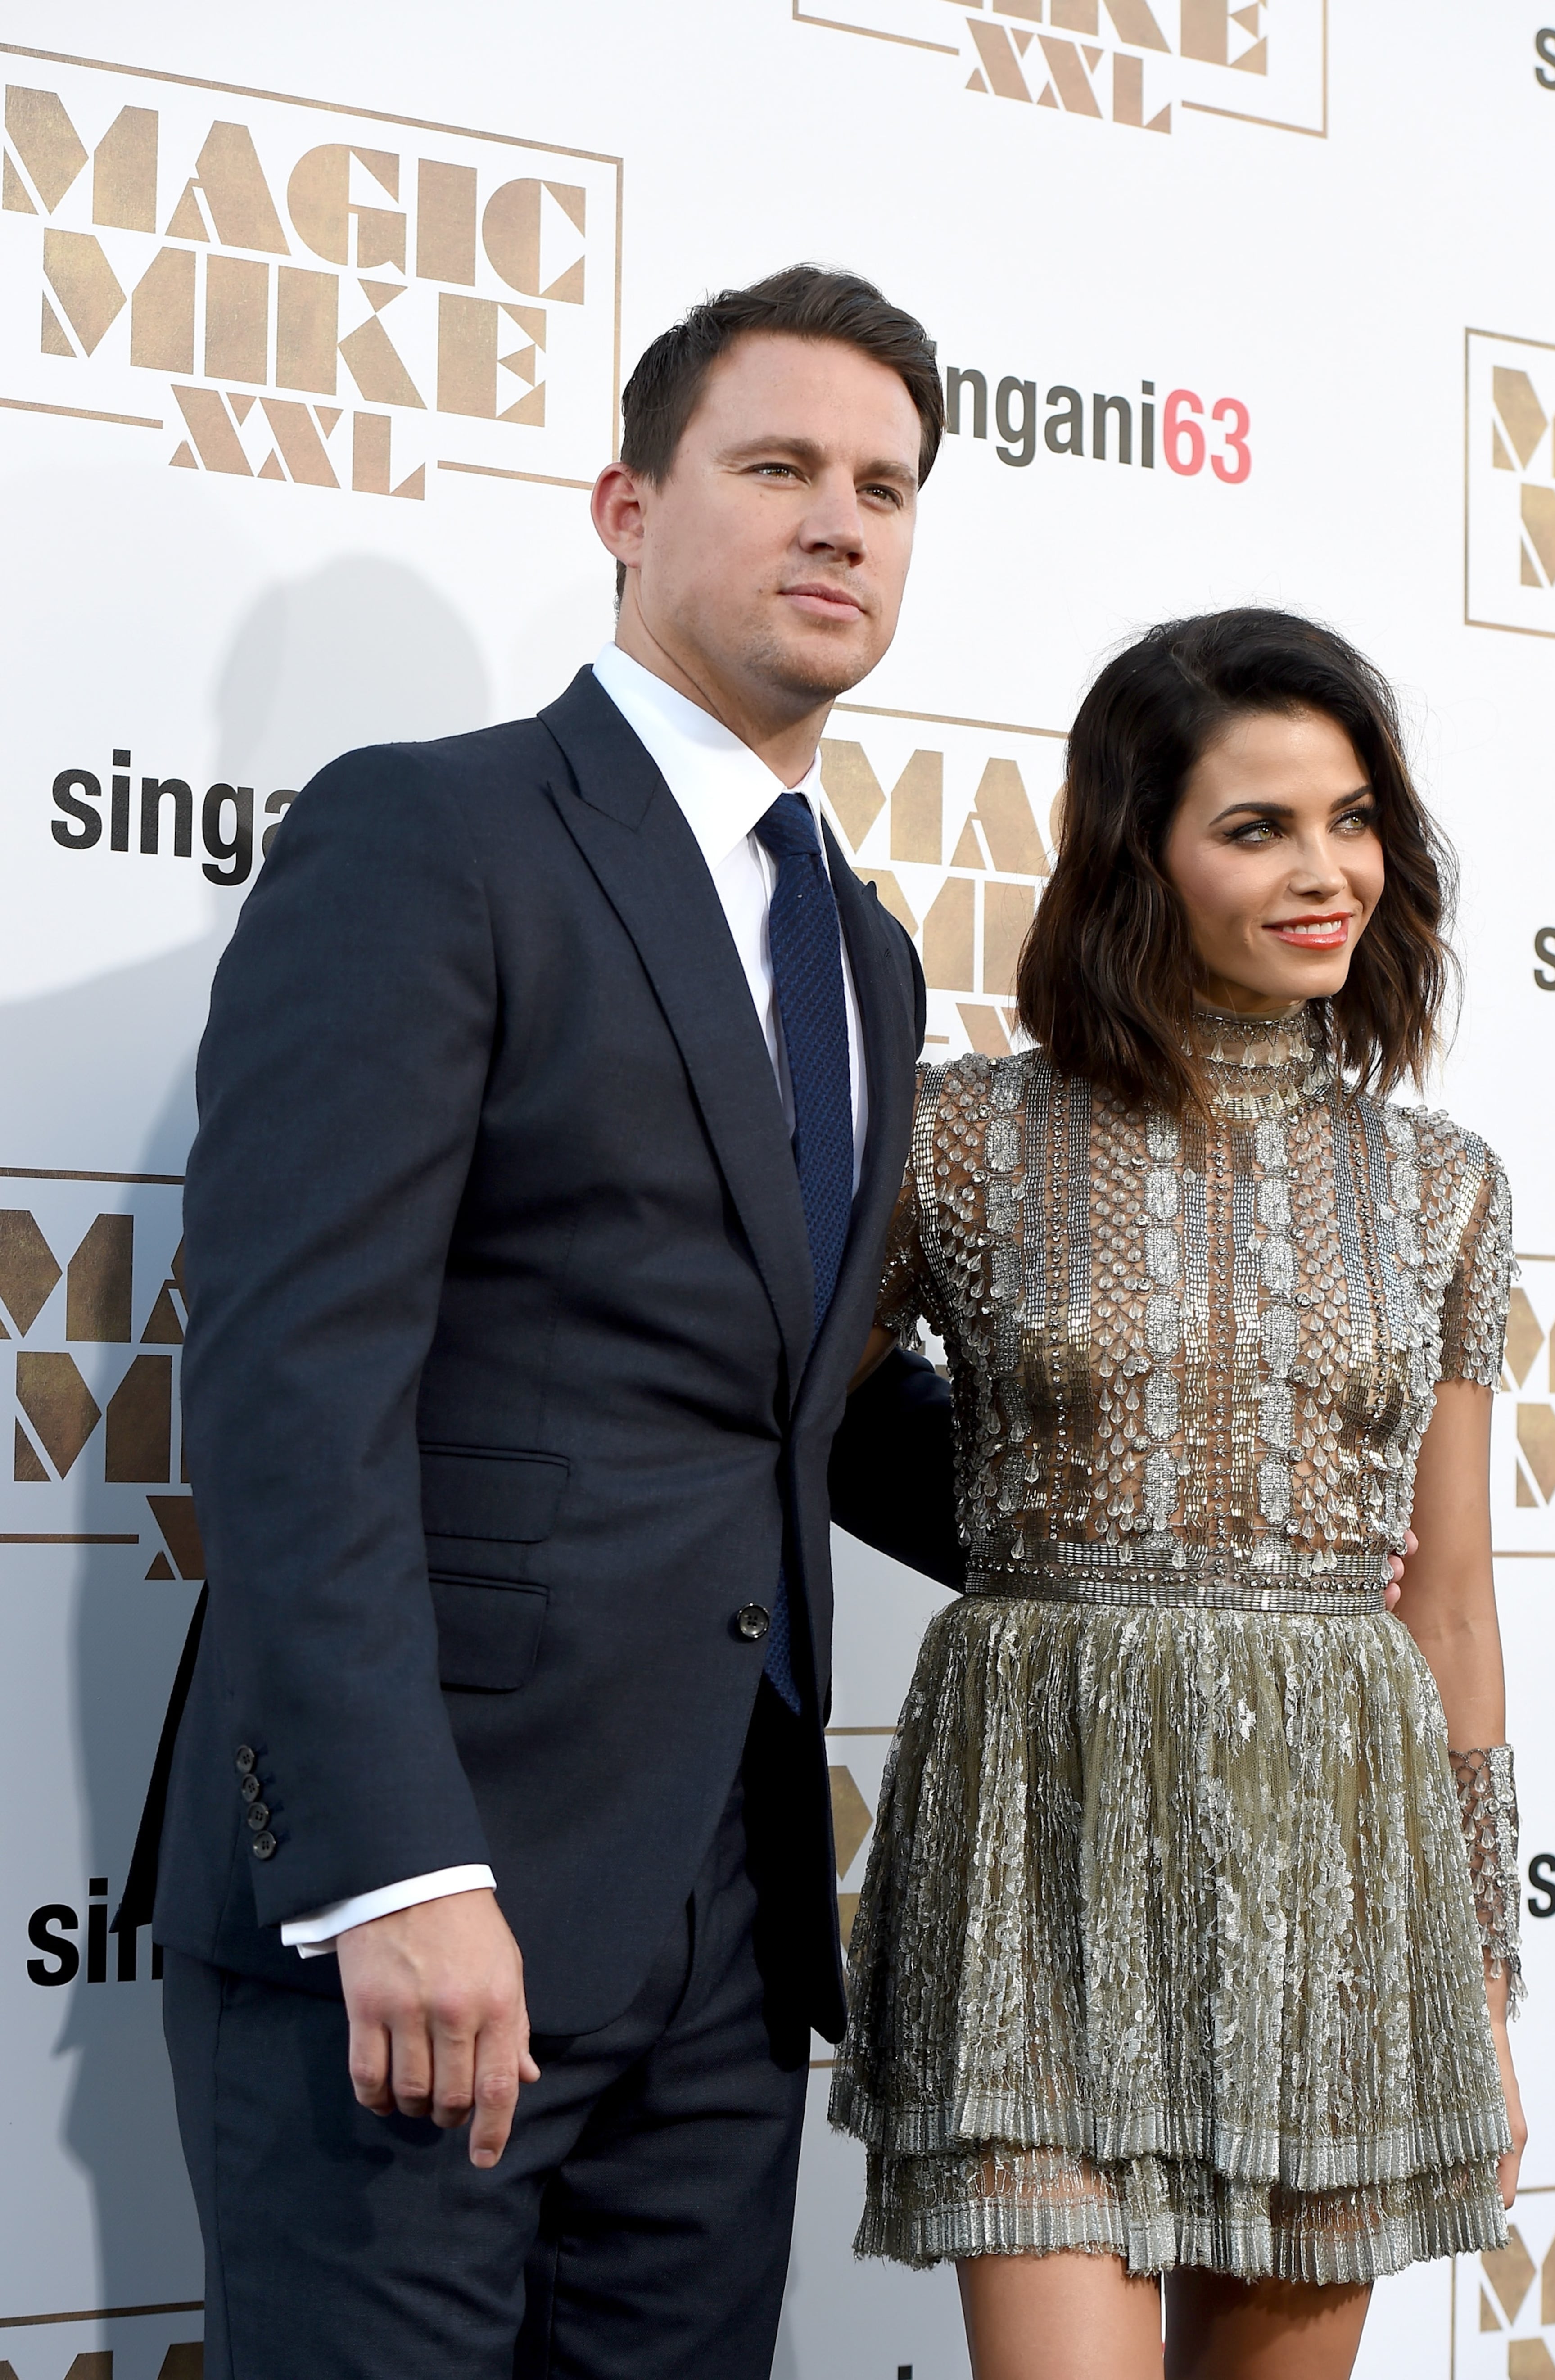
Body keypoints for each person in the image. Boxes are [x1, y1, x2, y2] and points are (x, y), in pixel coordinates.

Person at [118, 264, 965, 2380]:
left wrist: (1216, 1524)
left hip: (725, 1930)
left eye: (885, 483)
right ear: (623, 505)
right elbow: (298, 1381)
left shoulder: (867, 955)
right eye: (776, 466)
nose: (839, 522)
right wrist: (395, 1856)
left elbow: (802, 1399)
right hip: (430, 1895)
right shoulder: (438, 831)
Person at [831, 609, 1529, 2380]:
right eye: (1260, 825)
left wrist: (1488, 1978)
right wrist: (1030, 1532)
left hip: (1345, 1857)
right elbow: (806, 1411)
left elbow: (1448, 1597)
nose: (1330, 871)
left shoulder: (1443, 1186)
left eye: (1356, 817)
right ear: (1137, 855)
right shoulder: (955, 1138)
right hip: (1037, 1836)